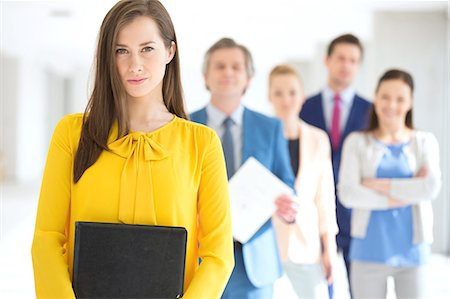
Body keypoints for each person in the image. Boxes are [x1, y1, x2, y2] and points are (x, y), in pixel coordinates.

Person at [31, 1, 234, 298]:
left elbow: (218, 254)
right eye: (120, 50)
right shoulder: (72, 134)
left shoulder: (201, 143)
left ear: (170, 52)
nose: (134, 64)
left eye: (147, 49)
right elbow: (47, 238)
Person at [190, 38, 297, 299]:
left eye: (236, 67)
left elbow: (286, 182)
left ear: (248, 79)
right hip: (199, 257)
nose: (228, 72)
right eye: (220, 66)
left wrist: (288, 207)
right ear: (206, 77)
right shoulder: (184, 127)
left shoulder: (270, 127)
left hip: (254, 262)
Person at [338, 69, 442, 299]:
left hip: (413, 252)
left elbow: (430, 188)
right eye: (385, 97)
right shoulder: (357, 142)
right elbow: (348, 193)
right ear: (375, 97)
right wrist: (404, 193)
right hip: (367, 250)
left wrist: (379, 184)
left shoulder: (424, 142)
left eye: (400, 98)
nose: (391, 105)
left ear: (411, 102)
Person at [300, 33, 372, 296]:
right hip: (317, 211)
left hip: (357, 213)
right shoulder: (305, 107)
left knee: (362, 289)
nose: (346, 65)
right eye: (341, 58)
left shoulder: (371, 111)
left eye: (353, 60)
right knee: (321, 287)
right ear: (327, 60)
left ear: (359, 66)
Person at [268, 64, 338, 299]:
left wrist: (329, 248)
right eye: (278, 93)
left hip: (307, 245)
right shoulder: (262, 136)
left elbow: (325, 199)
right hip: (268, 243)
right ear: (269, 97)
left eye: (292, 92)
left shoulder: (318, 139)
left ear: (302, 96)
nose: (286, 99)